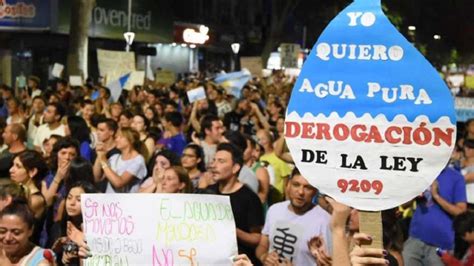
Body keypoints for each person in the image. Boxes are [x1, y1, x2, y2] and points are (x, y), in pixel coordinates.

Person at [203, 143, 264, 265]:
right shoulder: (209, 192)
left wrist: (231, 230)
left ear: (235, 168)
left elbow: (256, 238)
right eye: (214, 160)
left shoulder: (250, 198)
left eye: (221, 161)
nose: (214, 165)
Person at [256, 167, 331, 266]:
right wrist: (264, 257)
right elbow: (262, 245)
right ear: (288, 185)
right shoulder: (274, 210)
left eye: (307, 187)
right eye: (296, 185)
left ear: (315, 191)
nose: (300, 192)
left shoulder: (325, 220)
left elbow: (330, 263)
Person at [403, 167, 467, 266]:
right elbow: (404, 204)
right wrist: (415, 193)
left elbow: (461, 212)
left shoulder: (456, 177)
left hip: (441, 244)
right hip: (415, 240)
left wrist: (436, 196)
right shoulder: (420, 171)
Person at [50, 181, 97, 265]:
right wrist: (63, 260)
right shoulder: (58, 228)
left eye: (79, 200)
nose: (71, 203)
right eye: (69, 198)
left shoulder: (96, 231)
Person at [95, 128, 147, 193]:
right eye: (116, 137)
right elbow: (97, 178)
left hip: (125, 201)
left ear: (130, 140)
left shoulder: (138, 160)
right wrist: (99, 156)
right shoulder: (115, 157)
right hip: (110, 201)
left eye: (121, 137)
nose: (116, 140)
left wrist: (103, 161)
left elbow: (119, 183)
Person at [256, 129, 291, 200]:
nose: (260, 142)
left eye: (263, 139)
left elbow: (286, 179)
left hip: (276, 197)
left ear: (270, 140)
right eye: (258, 139)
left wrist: (286, 198)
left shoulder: (278, 157)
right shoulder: (257, 158)